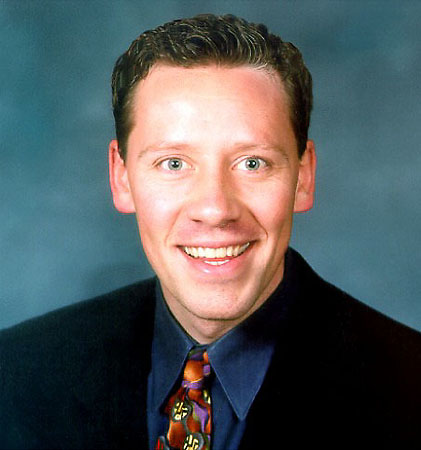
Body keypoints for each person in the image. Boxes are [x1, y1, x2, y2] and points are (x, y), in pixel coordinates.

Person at [1, 13, 420, 449]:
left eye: (252, 163)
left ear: (304, 176)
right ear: (121, 177)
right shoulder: (16, 373)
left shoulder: (408, 392)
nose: (216, 209)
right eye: (174, 163)